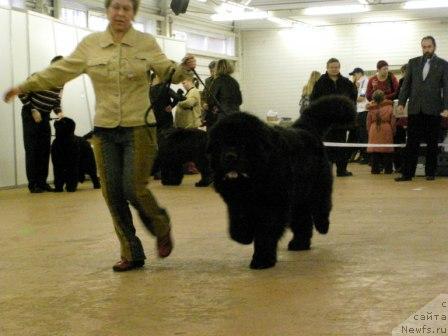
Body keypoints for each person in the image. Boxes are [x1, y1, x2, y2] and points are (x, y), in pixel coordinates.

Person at [3, 0, 196, 272]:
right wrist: (25, 85)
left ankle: (161, 225)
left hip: (139, 128)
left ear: (133, 13)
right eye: (115, 7)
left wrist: (182, 69)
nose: (120, 13)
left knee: (134, 188)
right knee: (112, 193)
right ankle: (131, 252)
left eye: (126, 8)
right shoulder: (91, 45)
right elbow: (60, 71)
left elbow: (167, 70)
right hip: (105, 130)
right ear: (107, 10)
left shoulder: (145, 43)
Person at [395, 36, 448, 181]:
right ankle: (407, 174)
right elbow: (406, 86)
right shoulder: (413, 62)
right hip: (415, 108)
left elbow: (447, 88)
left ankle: (430, 172)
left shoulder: (443, 64)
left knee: (432, 142)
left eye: (429, 47)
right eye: (424, 47)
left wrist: (446, 107)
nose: (426, 50)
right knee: (412, 143)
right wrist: (401, 103)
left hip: (434, 109)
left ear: (434, 47)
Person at [19, 55, 64, 193]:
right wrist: (32, 109)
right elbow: (21, 91)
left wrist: (59, 112)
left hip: (44, 115)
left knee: (44, 149)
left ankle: (42, 182)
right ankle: (33, 184)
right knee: (32, 149)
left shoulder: (61, 82)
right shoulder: (38, 76)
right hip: (30, 113)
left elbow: (56, 100)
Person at [310, 58, 357, 177]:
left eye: (336, 67)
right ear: (327, 68)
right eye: (332, 67)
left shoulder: (346, 82)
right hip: (326, 122)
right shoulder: (320, 83)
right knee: (327, 147)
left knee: (342, 146)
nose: (334, 69)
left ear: (339, 67)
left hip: (342, 121)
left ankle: (342, 170)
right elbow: (313, 101)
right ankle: (326, 171)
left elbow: (353, 98)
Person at [206, 59, 242, 127]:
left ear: (217, 68)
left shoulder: (217, 81)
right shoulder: (235, 82)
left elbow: (211, 100)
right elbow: (240, 101)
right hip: (236, 115)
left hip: (222, 116)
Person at [367, 90, 396, 174]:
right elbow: (393, 121)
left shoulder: (370, 108)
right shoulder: (390, 107)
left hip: (373, 129)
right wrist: (393, 131)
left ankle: (375, 169)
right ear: (384, 97)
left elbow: (368, 122)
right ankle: (388, 169)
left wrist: (369, 131)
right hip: (387, 128)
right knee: (387, 151)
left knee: (374, 151)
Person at [349, 67, 369, 164]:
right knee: (358, 134)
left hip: (363, 110)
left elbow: (361, 97)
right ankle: (361, 154)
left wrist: (350, 97)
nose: (354, 77)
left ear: (359, 73)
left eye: (354, 74)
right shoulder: (358, 83)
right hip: (358, 110)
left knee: (363, 134)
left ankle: (366, 156)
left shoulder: (365, 81)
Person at [393, 64, 409, 172]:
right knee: (399, 140)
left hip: (412, 114)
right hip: (402, 114)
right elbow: (398, 95)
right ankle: (400, 165)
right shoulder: (402, 81)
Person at [201, 60, 216, 128]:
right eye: (210, 71)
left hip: (218, 112)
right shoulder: (208, 80)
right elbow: (204, 94)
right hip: (208, 112)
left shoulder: (223, 81)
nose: (211, 73)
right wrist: (203, 103)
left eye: (212, 71)